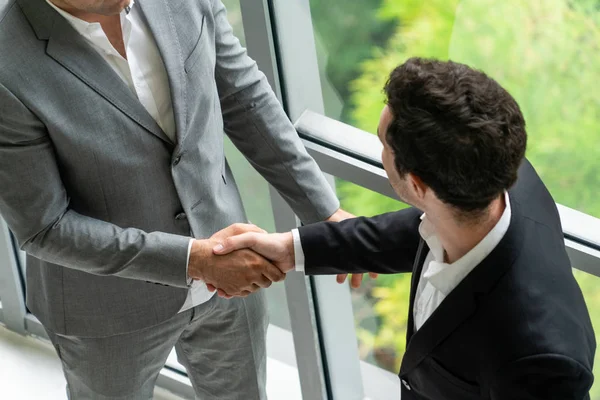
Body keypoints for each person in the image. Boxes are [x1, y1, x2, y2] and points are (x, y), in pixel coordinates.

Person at [0, 0, 362, 398]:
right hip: (106, 306)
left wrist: (322, 208)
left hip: (229, 275)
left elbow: (243, 96)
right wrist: (196, 261)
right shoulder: (7, 63)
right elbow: (45, 227)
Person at [213, 58, 597, 399]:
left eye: (382, 144)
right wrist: (291, 248)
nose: (378, 152)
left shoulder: (541, 359)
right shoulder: (490, 175)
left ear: (416, 186)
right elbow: (420, 230)